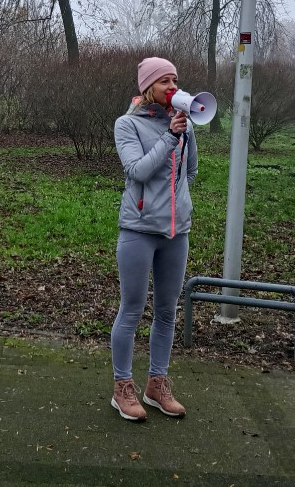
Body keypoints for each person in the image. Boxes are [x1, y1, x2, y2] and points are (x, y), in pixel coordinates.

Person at [109, 57, 198, 422]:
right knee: (131, 310)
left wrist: (184, 134)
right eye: (165, 81)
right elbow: (138, 170)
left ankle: (157, 384)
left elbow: (190, 171)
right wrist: (170, 136)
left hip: (176, 232)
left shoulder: (183, 124)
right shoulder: (126, 124)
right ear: (149, 87)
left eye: (176, 79)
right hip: (138, 231)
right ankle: (122, 388)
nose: (173, 87)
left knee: (166, 311)